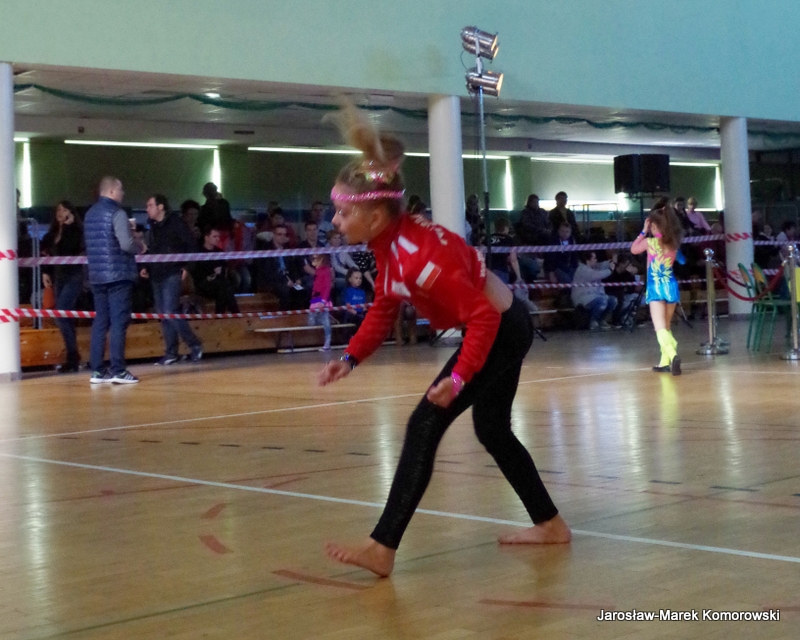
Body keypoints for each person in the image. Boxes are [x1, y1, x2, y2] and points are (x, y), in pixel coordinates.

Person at [318, 104, 570, 577]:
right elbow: (384, 307)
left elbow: (483, 318)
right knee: (492, 430)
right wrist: (349, 358)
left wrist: (457, 378)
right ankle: (550, 524)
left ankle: (382, 547)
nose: (335, 220)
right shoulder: (389, 245)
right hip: (503, 322)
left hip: (501, 327)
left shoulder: (417, 256)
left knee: (424, 425)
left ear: (375, 216)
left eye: (343, 212)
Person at [84, 176, 146, 384]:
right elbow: (126, 244)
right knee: (119, 322)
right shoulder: (117, 213)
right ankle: (119, 370)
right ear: (111, 191)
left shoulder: (90, 214)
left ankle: (97, 371)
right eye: (121, 190)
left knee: (100, 322)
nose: (123, 193)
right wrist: (139, 245)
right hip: (118, 274)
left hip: (97, 275)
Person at [143, 194, 203, 365]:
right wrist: (146, 266)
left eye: (150, 205)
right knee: (163, 314)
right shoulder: (152, 226)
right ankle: (171, 353)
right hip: (156, 273)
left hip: (172, 272)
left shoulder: (176, 223)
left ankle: (194, 344)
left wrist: (187, 267)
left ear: (160, 207)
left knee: (169, 311)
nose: (147, 209)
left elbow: (191, 246)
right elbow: (152, 250)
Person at [631, 200, 685, 375]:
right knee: (666, 325)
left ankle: (673, 353)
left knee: (659, 327)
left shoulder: (649, 242)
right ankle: (664, 361)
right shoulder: (674, 244)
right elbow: (682, 261)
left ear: (654, 226)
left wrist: (643, 231)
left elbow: (633, 249)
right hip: (671, 286)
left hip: (655, 287)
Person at [41, 200, 85, 372]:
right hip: (59, 277)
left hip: (74, 275)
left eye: (65, 210)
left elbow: (70, 248)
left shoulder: (75, 231)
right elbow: (47, 255)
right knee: (64, 316)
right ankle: (72, 355)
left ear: (71, 213)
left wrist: (68, 227)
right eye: (59, 209)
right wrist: (45, 272)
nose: (61, 212)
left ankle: (73, 356)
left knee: (62, 312)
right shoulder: (51, 234)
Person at [191, 227, 240, 313]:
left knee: (223, 287)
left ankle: (221, 315)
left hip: (219, 283)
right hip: (204, 284)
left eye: (218, 236)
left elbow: (224, 270)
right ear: (206, 237)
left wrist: (219, 273)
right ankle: (234, 312)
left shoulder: (220, 252)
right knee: (224, 286)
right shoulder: (198, 253)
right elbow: (197, 273)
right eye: (214, 236)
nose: (217, 239)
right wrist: (213, 273)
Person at [571, 252, 617, 331]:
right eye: (594, 258)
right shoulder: (582, 270)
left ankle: (601, 320)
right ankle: (593, 321)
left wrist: (611, 261)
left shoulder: (593, 267)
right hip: (583, 297)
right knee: (602, 301)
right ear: (588, 261)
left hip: (594, 295)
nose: (596, 260)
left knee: (613, 300)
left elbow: (601, 265)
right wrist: (610, 270)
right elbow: (597, 275)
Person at [308, 253, 334, 351]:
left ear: (321, 259)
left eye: (315, 258)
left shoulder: (326, 271)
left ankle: (327, 344)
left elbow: (327, 287)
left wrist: (323, 301)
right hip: (315, 298)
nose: (313, 260)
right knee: (312, 320)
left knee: (325, 321)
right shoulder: (317, 271)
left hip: (323, 299)